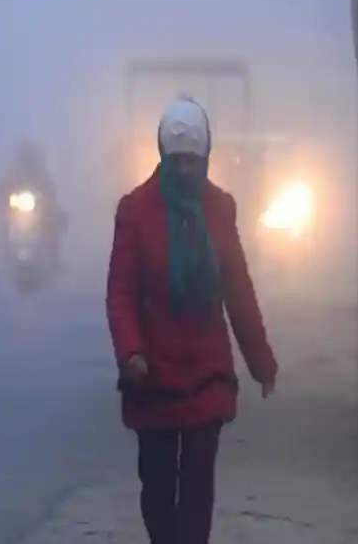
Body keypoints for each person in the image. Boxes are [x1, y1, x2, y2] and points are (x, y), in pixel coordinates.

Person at [105, 97, 278, 544]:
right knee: (158, 491)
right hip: (153, 372)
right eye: (176, 161)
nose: (184, 170)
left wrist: (261, 362)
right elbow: (120, 293)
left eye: (192, 162)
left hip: (207, 371)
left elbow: (238, 290)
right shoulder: (135, 210)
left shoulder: (219, 208)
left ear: (205, 159)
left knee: (198, 492)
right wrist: (130, 352)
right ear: (163, 156)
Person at [0, 139, 65, 266]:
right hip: (15, 210)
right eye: (25, 157)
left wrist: (46, 200)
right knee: (1, 221)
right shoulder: (14, 173)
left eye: (30, 157)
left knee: (57, 221)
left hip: (38, 210)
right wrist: (5, 197)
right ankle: (4, 250)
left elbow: (50, 189)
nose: (27, 160)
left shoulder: (41, 173)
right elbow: (4, 188)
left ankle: (54, 256)